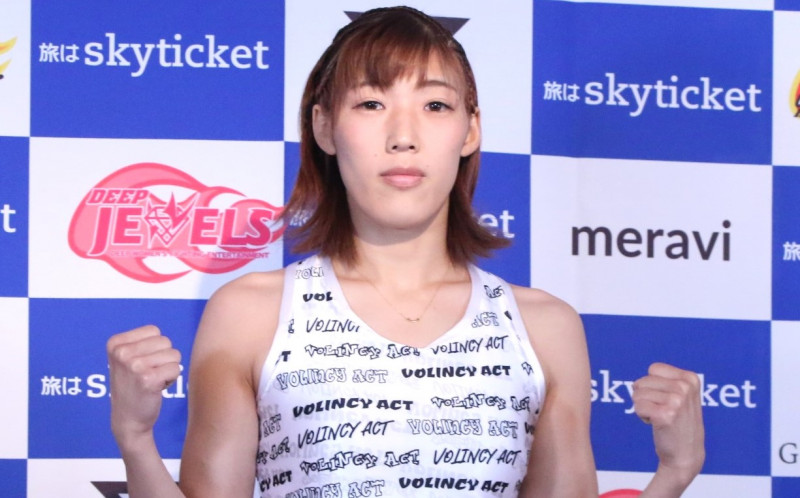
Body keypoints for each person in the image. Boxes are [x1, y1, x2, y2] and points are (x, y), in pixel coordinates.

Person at [106, 6, 705, 497]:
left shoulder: (545, 327)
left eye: (435, 105)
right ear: (324, 127)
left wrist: (673, 476)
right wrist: (135, 439)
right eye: (371, 103)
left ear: (470, 129)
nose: (403, 136)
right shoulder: (251, 313)